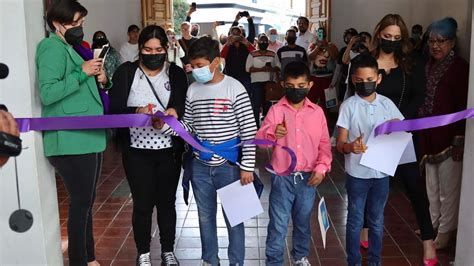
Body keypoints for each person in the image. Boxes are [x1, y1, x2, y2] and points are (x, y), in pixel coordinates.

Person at [156, 36, 257, 266]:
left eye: (201, 66)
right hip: (200, 167)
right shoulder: (193, 90)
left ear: (216, 62)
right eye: (193, 66)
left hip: (231, 166)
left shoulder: (235, 88)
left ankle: (236, 262)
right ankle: (210, 260)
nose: (197, 71)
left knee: (236, 218)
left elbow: (249, 131)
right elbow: (190, 127)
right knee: (205, 217)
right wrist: (168, 125)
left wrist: (247, 167)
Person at [108, 25, 187, 266]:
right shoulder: (126, 72)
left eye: (158, 49)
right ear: (139, 49)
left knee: (166, 203)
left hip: (168, 151)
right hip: (136, 151)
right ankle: (143, 252)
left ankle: (167, 250)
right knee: (142, 203)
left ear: (166, 49)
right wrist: (137, 112)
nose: (153, 54)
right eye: (147, 49)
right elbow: (115, 109)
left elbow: (181, 104)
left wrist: (174, 111)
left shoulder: (175, 73)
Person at [37, 1, 109, 265]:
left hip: (88, 136)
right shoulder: (50, 48)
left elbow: (84, 81)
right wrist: (82, 72)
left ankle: (89, 258)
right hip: (70, 138)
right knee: (80, 205)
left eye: (82, 23)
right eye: (75, 23)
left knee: (87, 204)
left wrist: (101, 77)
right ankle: (79, 260)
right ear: (57, 23)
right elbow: (48, 93)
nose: (80, 28)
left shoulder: (70, 47)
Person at [370, 14, 437, 265]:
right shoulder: (367, 62)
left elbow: (419, 97)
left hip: (402, 134)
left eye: (397, 38)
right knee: (371, 188)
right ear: (379, 34)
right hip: (373, 135)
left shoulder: (411, 64)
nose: (392, 42)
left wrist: (400, 123)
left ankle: (428, 242)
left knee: (415, 188)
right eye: (387, 37)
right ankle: (365, 230)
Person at [257, 61, 332, 266]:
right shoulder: (276, 110)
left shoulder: (316, 112)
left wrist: (322, 168)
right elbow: (261, 141)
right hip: (282, 178)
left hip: (308, 178)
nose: (296, 90)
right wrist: (273, 133)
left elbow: (325, 144)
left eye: (301, 86)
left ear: (309, 85)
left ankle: (300, 257)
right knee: (278, 224)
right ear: (283, 84)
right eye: (291, 86)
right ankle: (273, 261)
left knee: (302, 222)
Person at [336, 53, 404, 266]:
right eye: (360, 80)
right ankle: (353, 261)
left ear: (379, 78)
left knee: (376, 221)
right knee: (355, 221)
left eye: (370, 80)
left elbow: (401, 131)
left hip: (381, 173)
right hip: (358, 174)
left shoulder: (388, 104)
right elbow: (340, 145)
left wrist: (396, 129)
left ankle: (375, 262)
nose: (365, 84)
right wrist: (351, 147)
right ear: (353, 80)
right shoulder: (348, 106)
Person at [418, 17, 469, 251]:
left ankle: (446, 231)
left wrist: (460, 140)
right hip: (428, 136)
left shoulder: (460, 68)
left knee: (449, 190)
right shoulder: (427, 64)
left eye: (441, 41)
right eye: (432, 41)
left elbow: (463, 107)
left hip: (449, 138)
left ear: (452, 42)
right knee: (431, 186)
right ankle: (432, 225)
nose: (436, 46)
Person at [246, 33, 279, 126]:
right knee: (256, 106)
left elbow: (278, 67)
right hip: (256, 83)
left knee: (268, 106)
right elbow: (248, 69)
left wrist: (271, 68)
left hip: (269, 83)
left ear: (268, 43)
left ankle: (267, 127)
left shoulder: (273, 54)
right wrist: (261, 69)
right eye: (261, 41)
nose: (263, 42)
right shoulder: (252, 54)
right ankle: (255, 127)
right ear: (258, 42)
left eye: (265, 41)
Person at [221, 26, 256, 93]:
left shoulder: (245, 44)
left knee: (245, 93)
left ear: (241, 35)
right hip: (231, 75)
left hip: (245, 75)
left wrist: (247, 43)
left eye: (237, 34)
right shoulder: (228, 46)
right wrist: (228, 44)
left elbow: (255, 54)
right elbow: (222, 56)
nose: (235, 36)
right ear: (230, 35)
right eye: (233, 34)